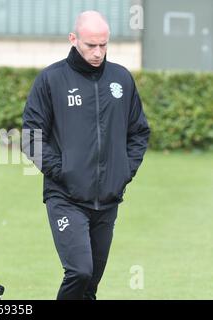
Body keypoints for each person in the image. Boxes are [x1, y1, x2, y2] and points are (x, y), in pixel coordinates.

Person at [22, 11, 150, 300]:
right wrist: (62, 171)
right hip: (65, 196)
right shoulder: (51, 79)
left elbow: (139, 132)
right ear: (73, 39)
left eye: (104, 45)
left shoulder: (121, 79)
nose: (98, 52)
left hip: (108, 198)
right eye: (91, 45)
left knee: (90, 284)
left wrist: (124, 171)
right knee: (79, 271)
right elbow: (31, 136)